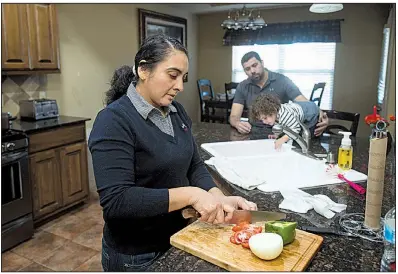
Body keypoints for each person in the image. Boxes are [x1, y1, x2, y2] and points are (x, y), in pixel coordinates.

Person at [88, 34, 257, 272]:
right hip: (136, 254)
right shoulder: (113, 121)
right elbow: (117, 201)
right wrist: (191, 195)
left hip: (176, 237)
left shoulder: (176, 111)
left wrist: (217, 197)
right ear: (144, 70)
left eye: (183, 77)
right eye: (172, 75)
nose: (180, 86)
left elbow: (194, 165)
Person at [229, 51, 328, 136]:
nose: (252, 71)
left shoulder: (282, 80)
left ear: (262, 63)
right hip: (254, 132)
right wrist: (237, 124)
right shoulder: (242, 86)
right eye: (247, 69)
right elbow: (234, 116)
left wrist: (320, 113)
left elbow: (303, 102)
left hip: (281, 132)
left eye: (255, 65)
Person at [250, 94, 320, 149]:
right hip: (296, 107)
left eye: (265, 118)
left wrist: (283, 139)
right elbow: (283, 126)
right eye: (262, 119)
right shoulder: (274, 115)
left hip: (310, 111)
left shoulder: (285, 115)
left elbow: (295, 130)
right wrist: (277, 136)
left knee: (307, 131)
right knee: (291, 125)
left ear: (273, 110)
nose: (264, 122)